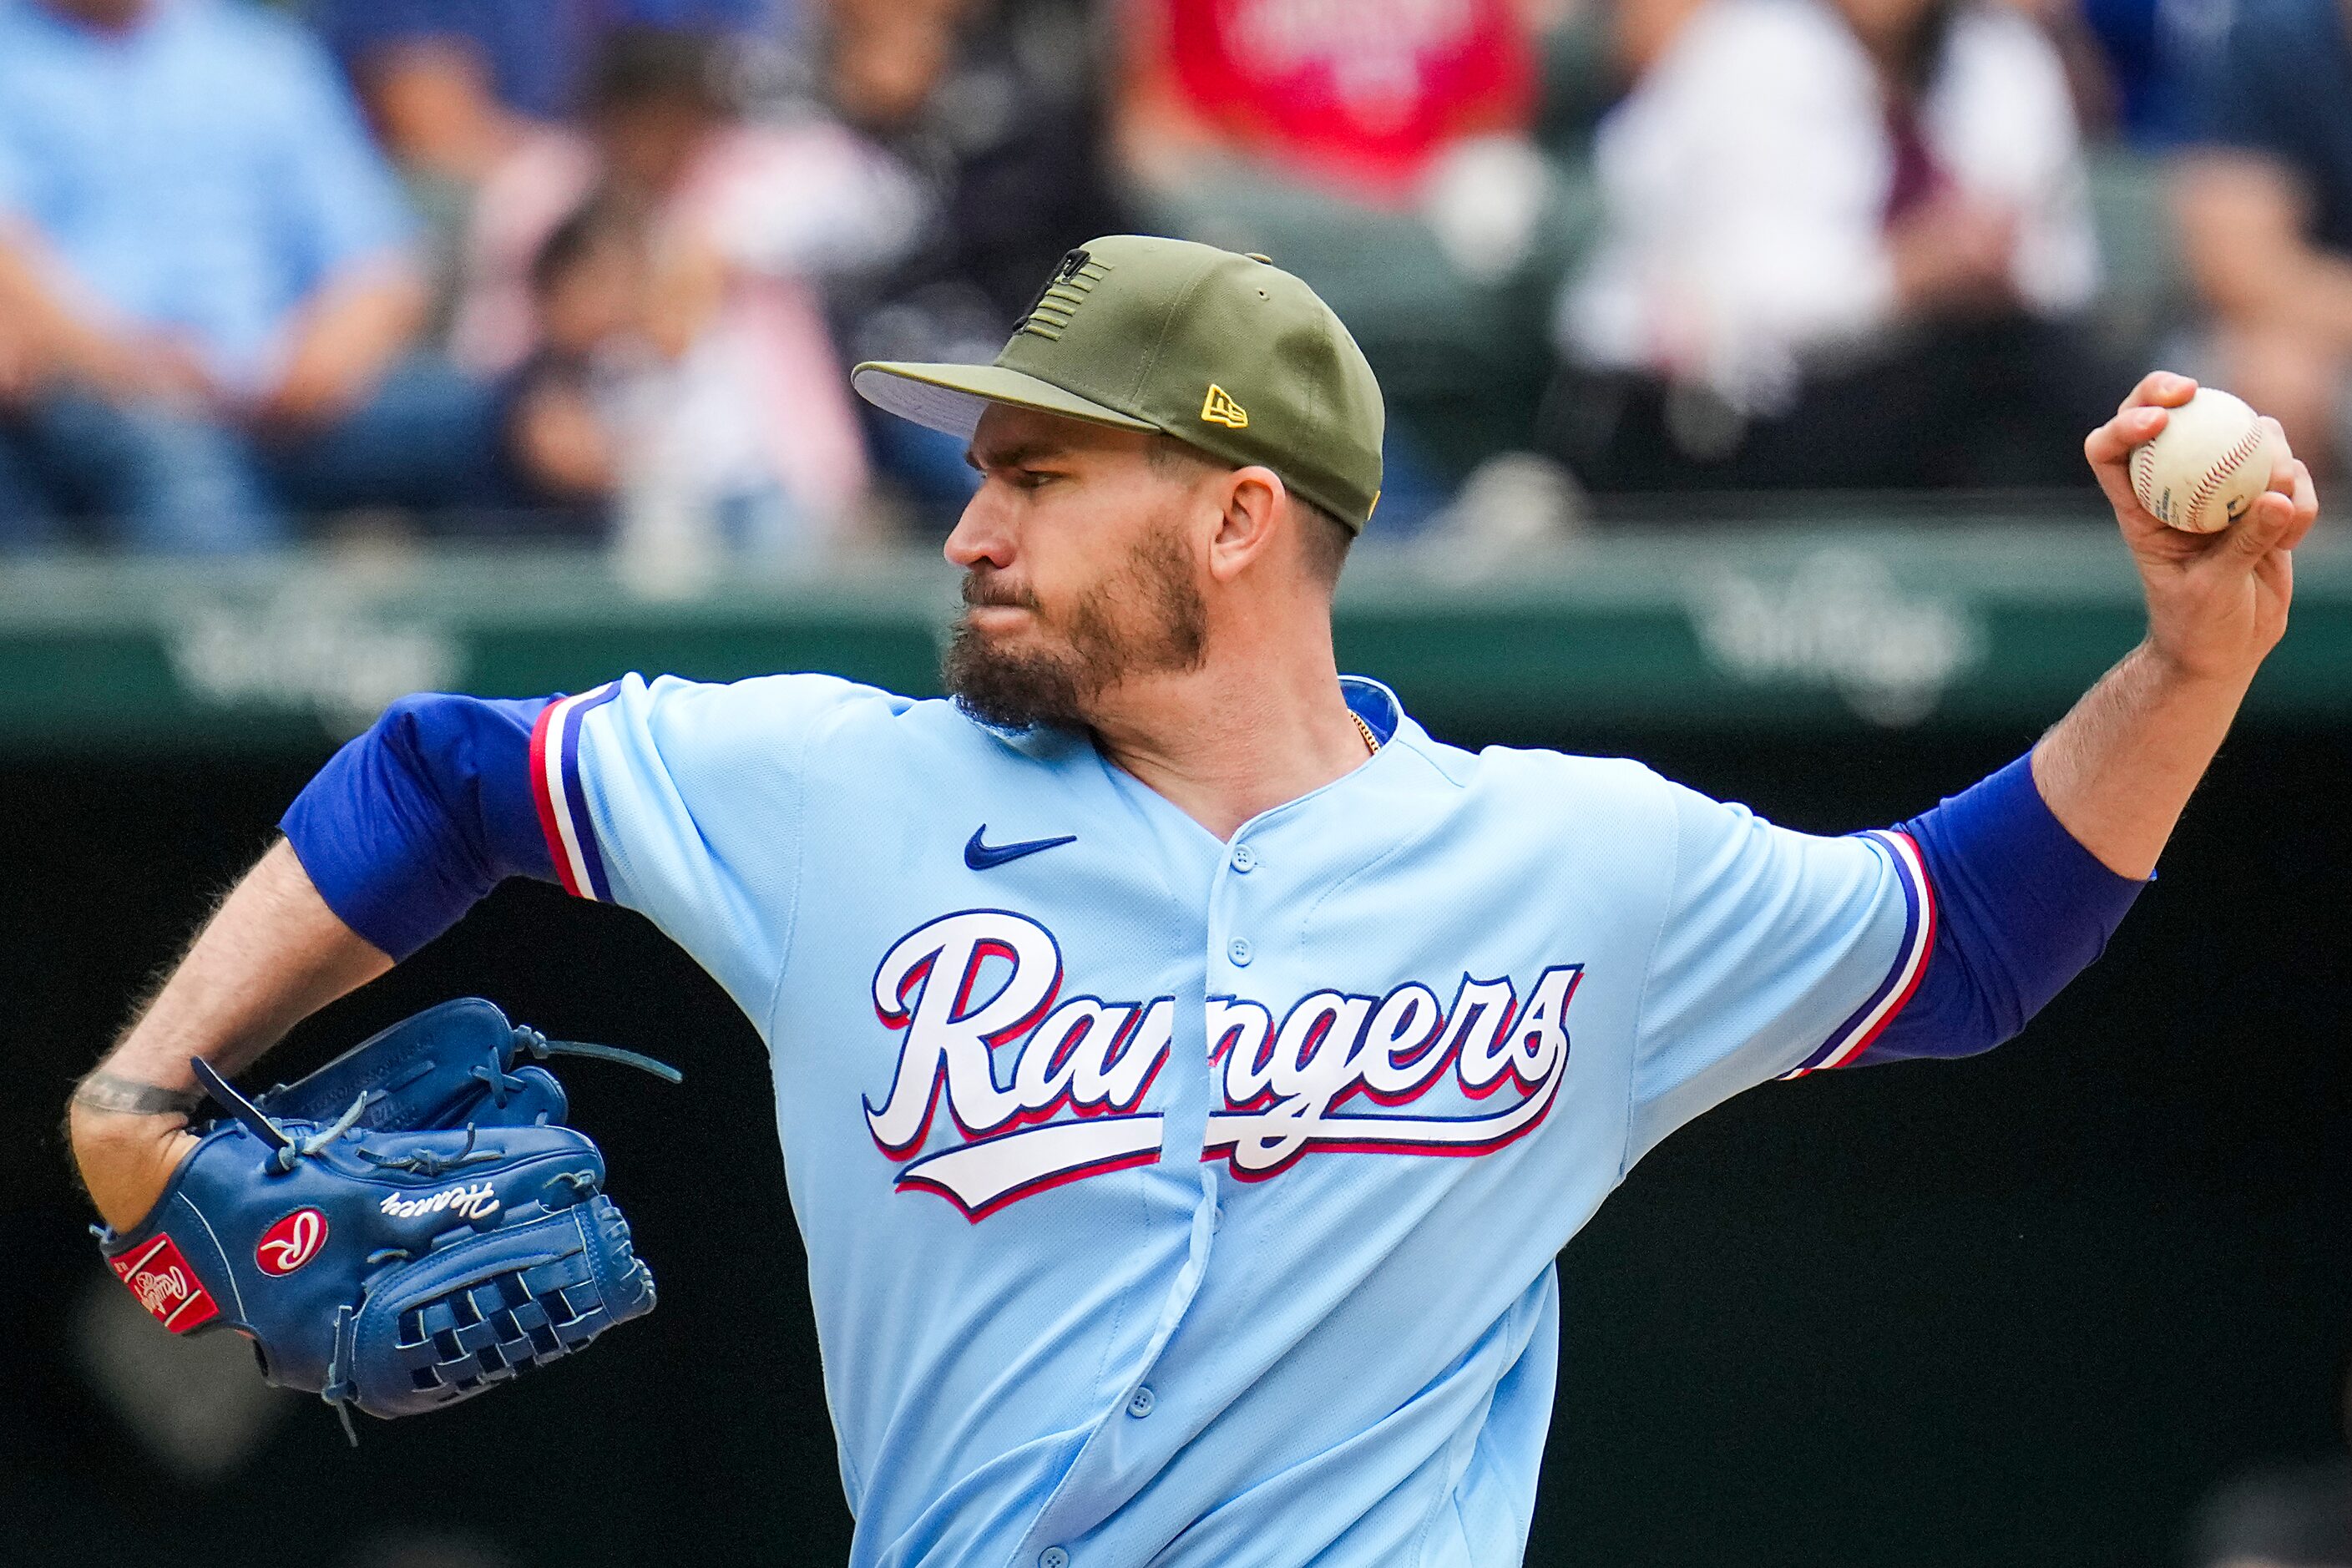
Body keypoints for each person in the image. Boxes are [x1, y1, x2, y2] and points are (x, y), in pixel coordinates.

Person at [68, 236, 2318, 1565]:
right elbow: (444, 772)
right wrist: (146, 1085)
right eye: (976, 478)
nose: (971, 532)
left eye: (1040, 477)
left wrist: (2193, 660)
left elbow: (1972, 930)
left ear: (1242, 517)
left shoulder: (1577, 859)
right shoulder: (839, 792)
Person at [0, 0, 515, 549]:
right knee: (187, 468)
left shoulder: (264, 56)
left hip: (283, 393)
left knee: (513, 420)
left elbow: (379, 263)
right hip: (90, 391)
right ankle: (237, 629)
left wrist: (313, 364)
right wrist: (126, 363)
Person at [1552, 0, 2115, 492]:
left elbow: (2066, 272)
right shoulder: (1743, 51)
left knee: (2037, 387)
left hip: (1933, 385)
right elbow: (1742, 302)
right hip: (1712, 413)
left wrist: (1994, 269)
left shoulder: (1999, 58)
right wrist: (1905, 273)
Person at [2170, 0, 2352, 478]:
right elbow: (2240, 273)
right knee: (2275, 380)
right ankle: (2296, 554)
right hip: (2321, 334)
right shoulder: (2272, 36)